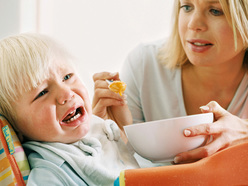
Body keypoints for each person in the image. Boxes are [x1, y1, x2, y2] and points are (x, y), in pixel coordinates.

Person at [92, 0, 248, 165]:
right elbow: (122, 169)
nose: (193, 24)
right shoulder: (145, 65)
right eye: (187, 7)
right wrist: (109, 136)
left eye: (216, 11)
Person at [0, 33, 139, 185]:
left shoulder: (102, 129)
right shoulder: (49, 173)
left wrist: (123, 134)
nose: (67, 93)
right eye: (42, 92)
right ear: (16, 128)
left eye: (67, 77)